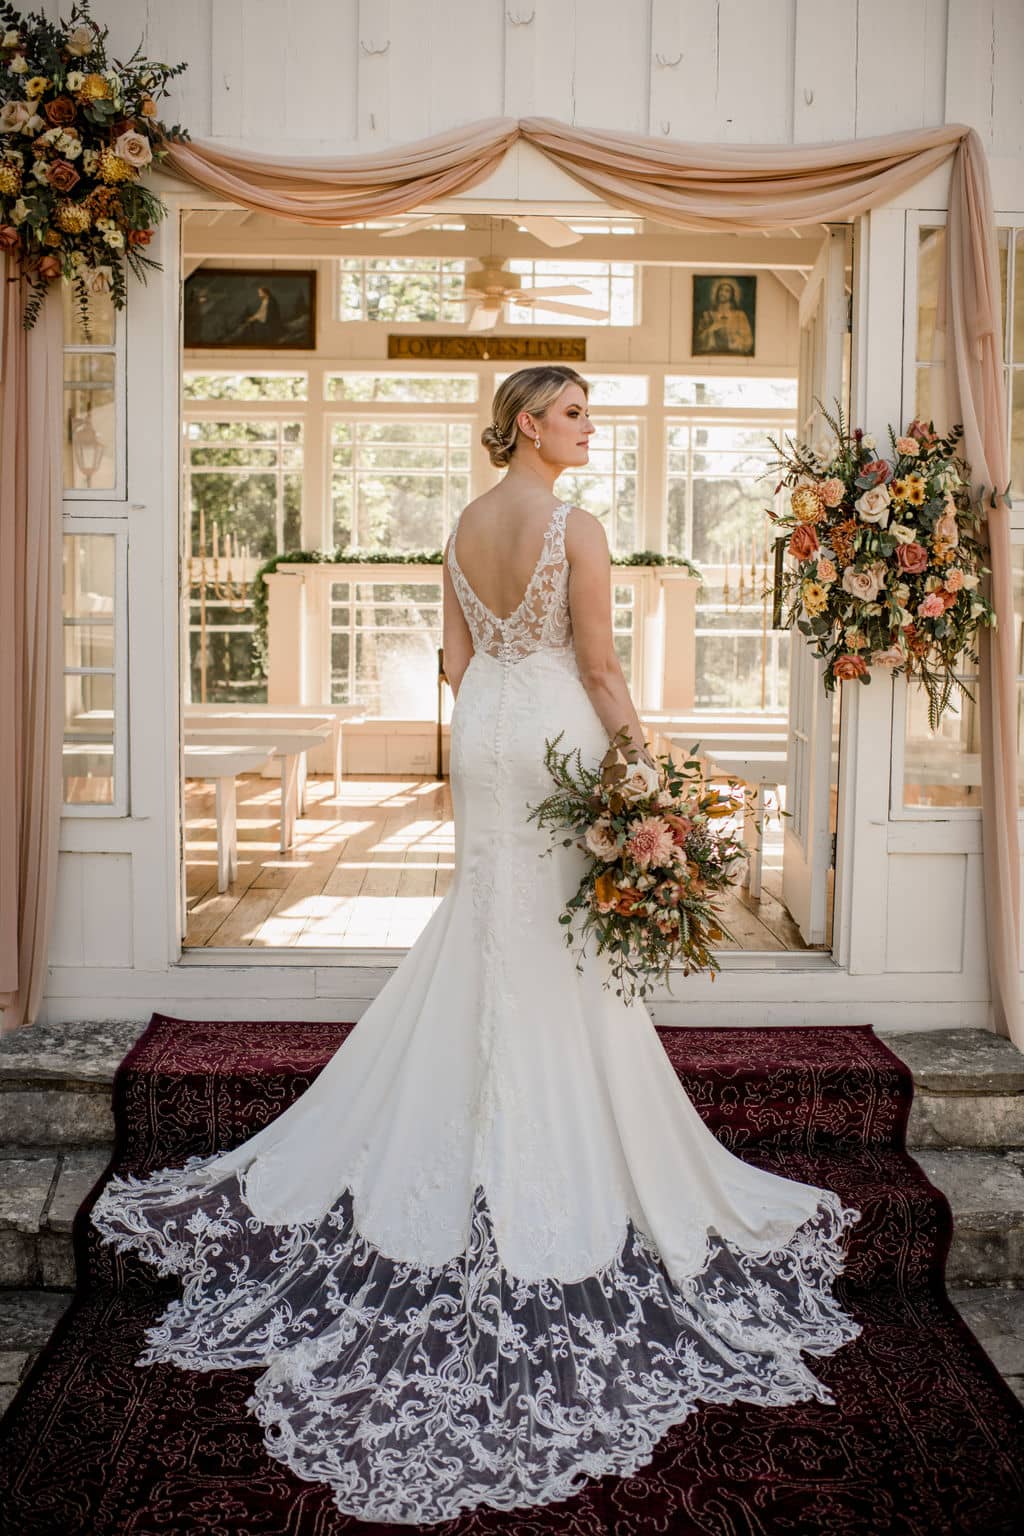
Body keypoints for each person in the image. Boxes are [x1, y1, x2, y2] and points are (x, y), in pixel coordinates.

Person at [90, 365, 861, 1527]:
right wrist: (644, 765)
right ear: (524, 426)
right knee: (554, 935)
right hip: (550, 717)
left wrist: (494, 724)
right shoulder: (574, 526)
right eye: (573, 414)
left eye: (590, 411)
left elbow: (456, 659)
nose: (588, 427)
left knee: (490, 916)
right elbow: (600, 666)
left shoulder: (461, 522)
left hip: (487, 728)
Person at [695, 278, 754, 354]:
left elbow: (748, 342)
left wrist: (733, 339)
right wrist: (711, 329)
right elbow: (698, 341)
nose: (723, 293)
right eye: (721, 290)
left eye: (727, 291)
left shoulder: (740, 316)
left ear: (732, 295)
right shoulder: (707, 315)